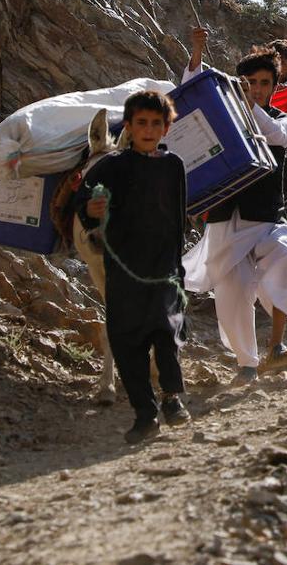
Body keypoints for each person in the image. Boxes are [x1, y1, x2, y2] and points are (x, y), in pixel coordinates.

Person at [182, 28, 287, 385]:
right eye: (250, 83)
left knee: (284, 258)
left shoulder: (285, 120)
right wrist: (196, 54)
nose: (257, 89)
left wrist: (248, 105)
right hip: (225, 221)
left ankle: (276, 346)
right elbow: (193, 99)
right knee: (232, 294)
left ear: (274, 86)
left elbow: (277, 137)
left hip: (267, 217)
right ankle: (247, 364)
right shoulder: (223, 116)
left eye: (264, 83)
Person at [76, 90, 188, 444]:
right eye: (141, 123)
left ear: (166, 128)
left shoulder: (173, 166)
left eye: (156, 123)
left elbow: (179, 215)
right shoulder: (111, 166)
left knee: (166, 332)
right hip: (124, 267)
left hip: (163, 265)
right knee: (128, 343)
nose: (149, 130)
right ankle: (145, 414)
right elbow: (85, 198)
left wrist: (179, 265)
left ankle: (171, 397)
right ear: (128, 127)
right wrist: (90, 210)